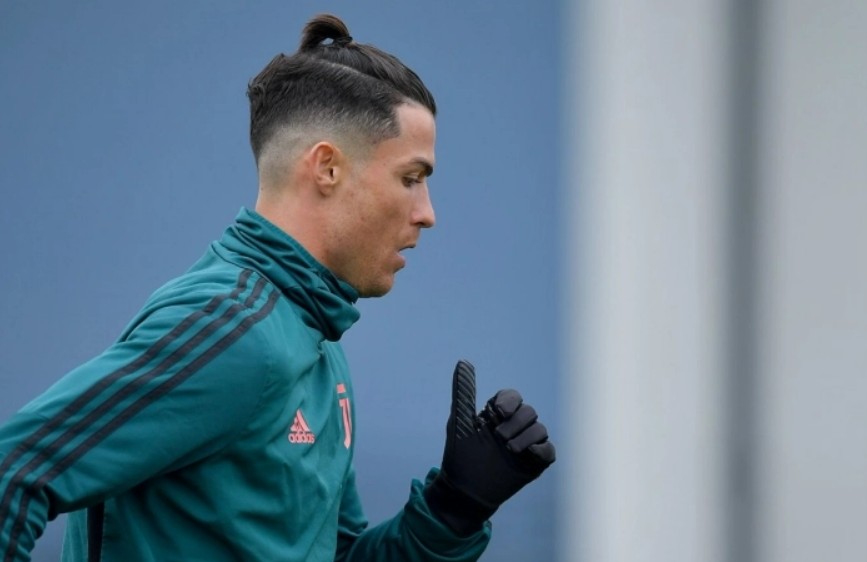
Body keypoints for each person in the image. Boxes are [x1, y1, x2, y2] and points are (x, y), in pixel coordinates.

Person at [0, 13, 555, 561]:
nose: (427, 213)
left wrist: (454, 508)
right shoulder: (230, 328)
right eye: (411, 178)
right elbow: (14, 474)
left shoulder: (318, 344)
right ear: (327, 167)